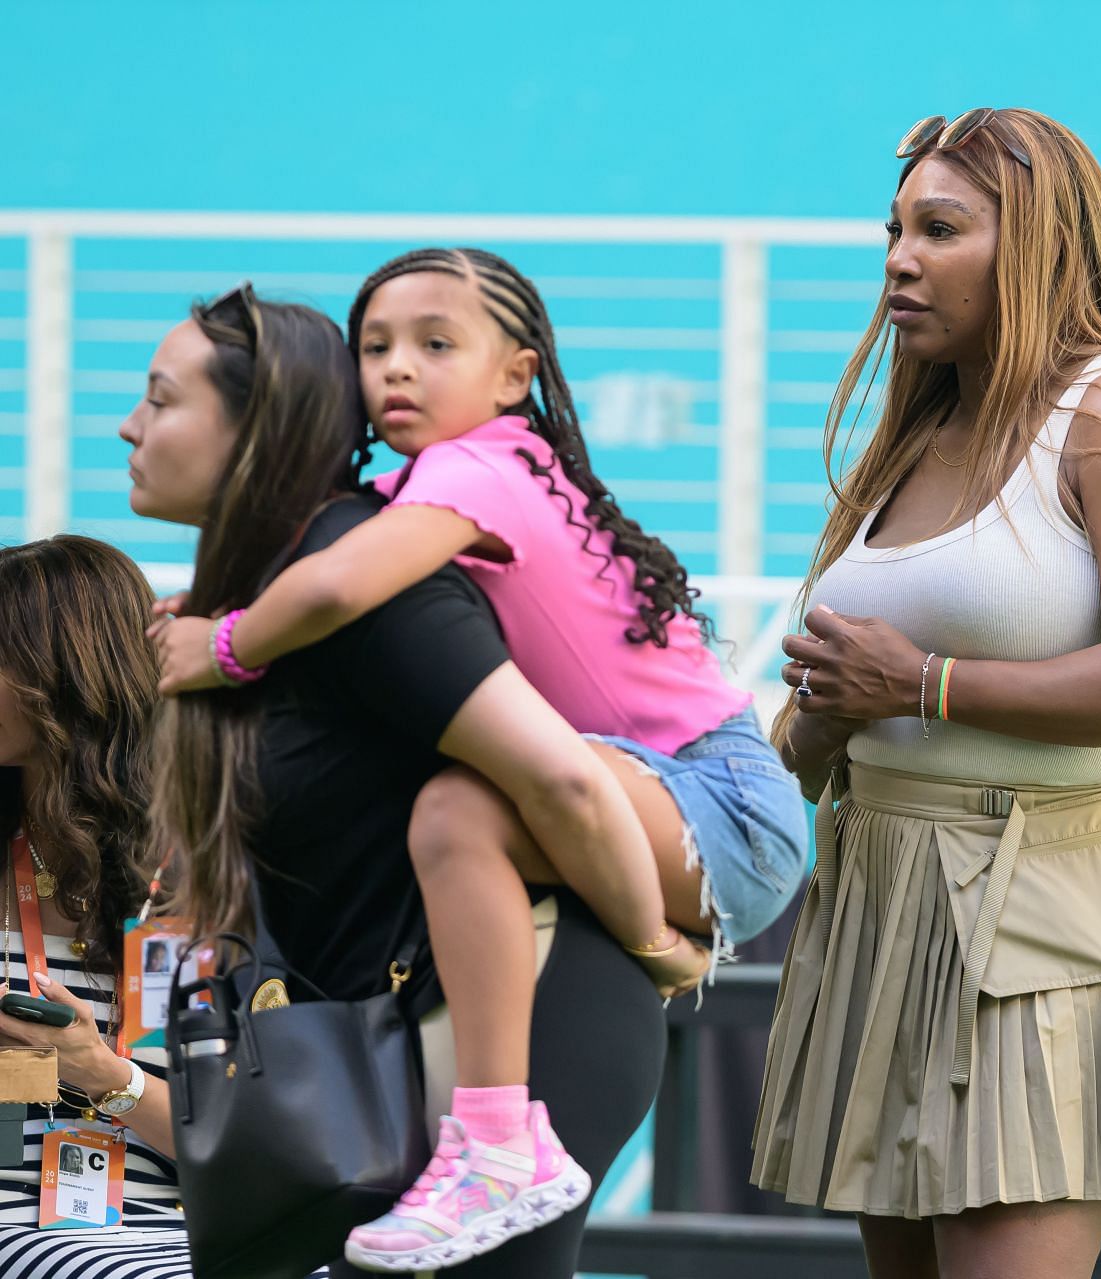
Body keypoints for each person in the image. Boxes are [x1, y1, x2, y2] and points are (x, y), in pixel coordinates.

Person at [150, 248, 805, 1269]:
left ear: (517, 374)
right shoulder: (445, 478)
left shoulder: (474, 469)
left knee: (461, 810)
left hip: (715, 794)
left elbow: (331, 591)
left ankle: (499, 1141)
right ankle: (494, 1143)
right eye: (376, 348)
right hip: (676, 790)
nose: (397, 370)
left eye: (436, 344)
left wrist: (222, 643)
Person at [751, 108, 1101, 1279]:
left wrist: (925, 684)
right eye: (894, 229)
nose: (900, 256)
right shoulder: (922, 427)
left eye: (940, 229)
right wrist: (828, 716)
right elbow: (822, 734)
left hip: (1042, 907)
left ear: (1038, 244)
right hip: (882, 902)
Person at [0, 536, 191, 1277]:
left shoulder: (202, 881)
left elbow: (259, 1139)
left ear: (69, 676)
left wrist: (103, 1073)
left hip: (180, 1233)